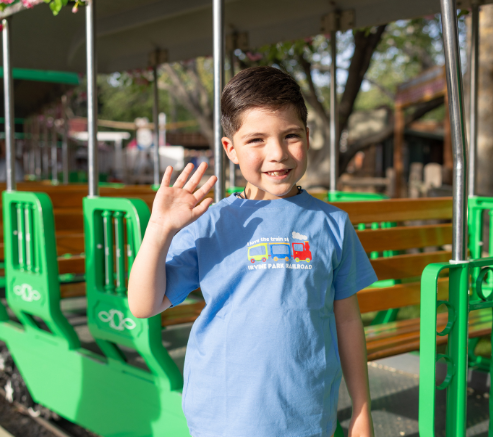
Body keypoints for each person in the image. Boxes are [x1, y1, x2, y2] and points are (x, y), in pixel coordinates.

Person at [125, 66, 377, 437]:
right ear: (231, 149)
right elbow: (143, 304)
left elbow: (348, 322)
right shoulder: (211, 222)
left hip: (308, 420)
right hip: (222, 419)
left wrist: (361, 411)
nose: (277, 153)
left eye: (290, 135)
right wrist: (159, 229)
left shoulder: (332, 224)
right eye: (256, 140)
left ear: (308, 137)